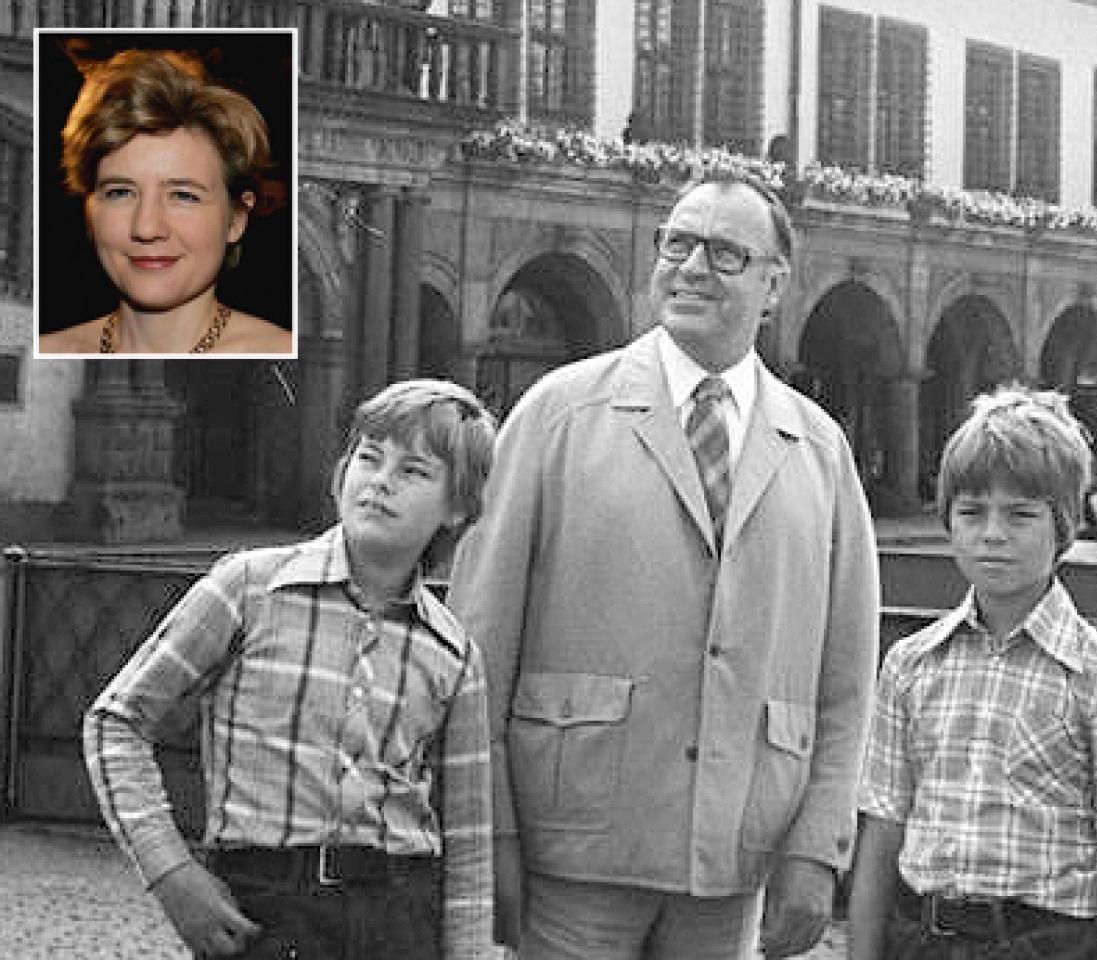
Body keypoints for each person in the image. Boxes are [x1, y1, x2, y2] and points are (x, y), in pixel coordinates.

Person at [448, 172, 881, 960]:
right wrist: (491, 831)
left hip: (733, 851)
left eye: (724, 252)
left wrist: (819, 846)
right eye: (677, 243)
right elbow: (479, 640)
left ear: (774, 284)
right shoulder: (557, 413)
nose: (691, 267)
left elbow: (848, 678)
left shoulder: (820, 448)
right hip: (573, 840)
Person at [83, 379, 500, 959]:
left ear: (457, 507)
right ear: (341, 473)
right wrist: (170, 870)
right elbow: (116, 721)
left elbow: (470, 840)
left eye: (413, 471)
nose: (380, 481)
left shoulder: (453, 652)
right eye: (369, 458)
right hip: (268, 909)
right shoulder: (249, 589)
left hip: (401, 918)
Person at [849, 386, 1097, 960]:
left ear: (1063, 527)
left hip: (1042, 941)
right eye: (972, 512)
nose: (993, 533)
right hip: (919, 935)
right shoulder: (911, 664)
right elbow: (882, 834)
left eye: (1020, 515)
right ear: (949, 521)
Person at [40, 48, 291, 355]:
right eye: (120, 192)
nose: (146, 228)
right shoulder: (44, 352)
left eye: (183, 196)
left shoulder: (282, 355)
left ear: (236, 219)